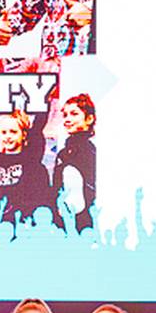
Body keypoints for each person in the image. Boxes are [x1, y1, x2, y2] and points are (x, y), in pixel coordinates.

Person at [53, 93, 96, 232]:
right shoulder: (63, 154)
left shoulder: (90, 151)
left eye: (74, 114)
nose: (68, 119)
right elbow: (56, 187)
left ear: (89, 119)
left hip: (84, 222)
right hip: (62, 221)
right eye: (65, 115)